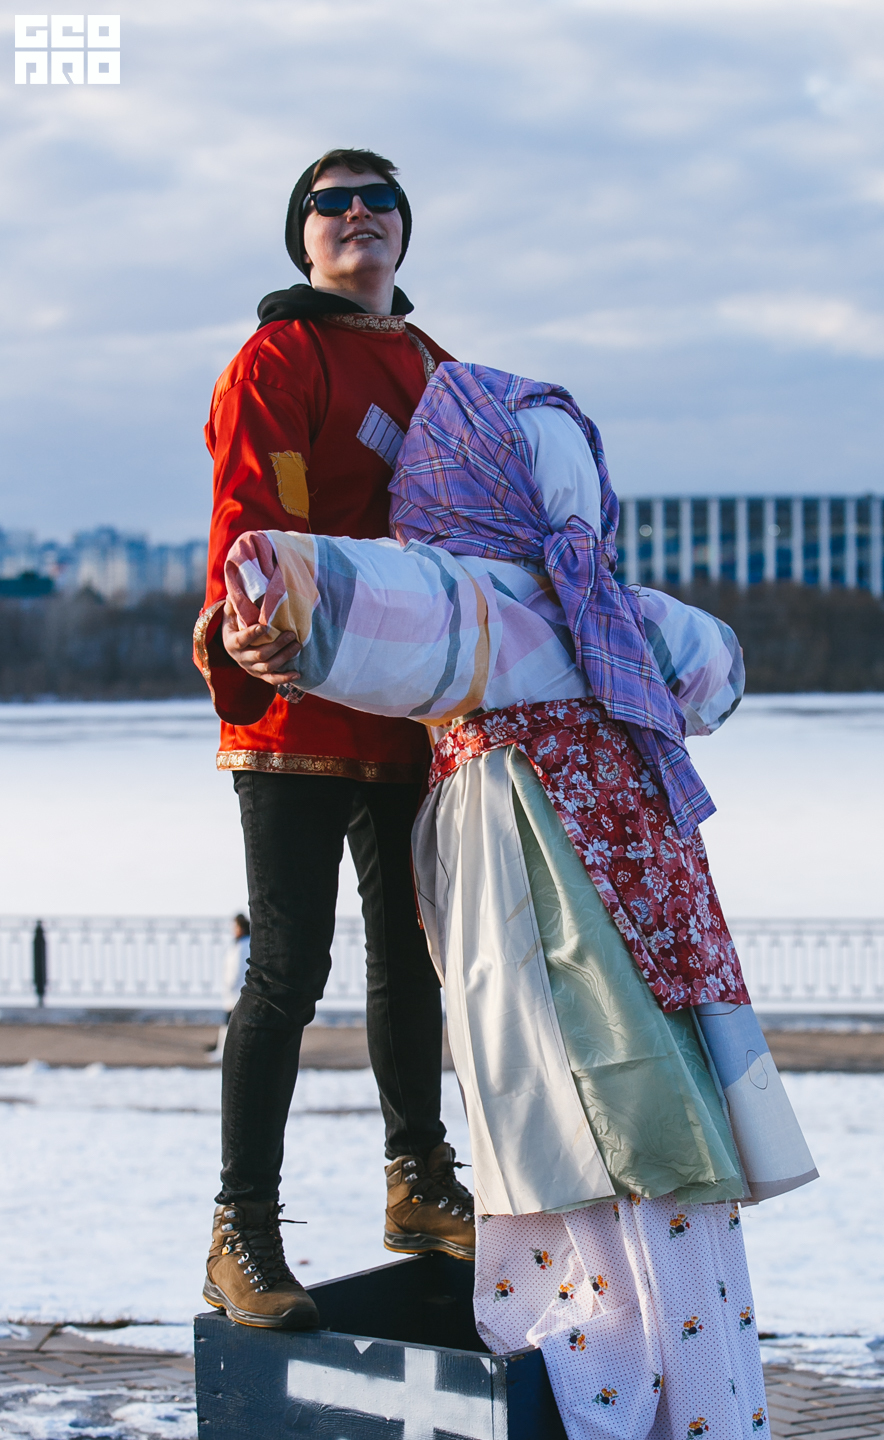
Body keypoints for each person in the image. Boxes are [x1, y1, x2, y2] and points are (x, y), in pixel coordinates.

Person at [224, 360, 817, 1440]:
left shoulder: (497, 608)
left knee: (574, 1215)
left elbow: (365, 602)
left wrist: (265, 592)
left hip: (545, 928)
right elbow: (716, 664)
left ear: (455, 495)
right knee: (666, 1246)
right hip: (651, 939)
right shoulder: (613, 615)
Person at [193, 149, 474, 1335]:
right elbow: (258, 514)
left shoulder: (438, 369)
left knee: (415, 959)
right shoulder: (280, 356)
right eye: (332, 202)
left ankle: (419, 1183)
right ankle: (242, 1232)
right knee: (287, 969)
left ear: (404, 231)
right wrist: (256, 617)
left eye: (378, 200)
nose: (357, 214)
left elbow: (475, 518)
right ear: (302, 236)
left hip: (409, 709)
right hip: (297, 705)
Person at [209, 913, 251, 1060]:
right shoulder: (241, 944)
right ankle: (223, 1050)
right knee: (230, 1022)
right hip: (236, 991)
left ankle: (224, 1052)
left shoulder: (242, 946)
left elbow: (237, 970)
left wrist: (229, 987)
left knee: (230, 1023)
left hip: (237, 991)